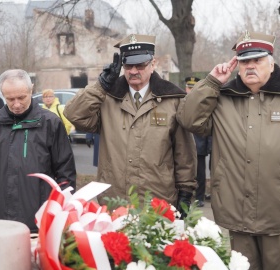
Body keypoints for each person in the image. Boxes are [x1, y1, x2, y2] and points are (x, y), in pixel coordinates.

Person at [177, 30, 280, 269]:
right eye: (244, 61)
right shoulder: (222, 98)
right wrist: (211, 83)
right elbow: (189, 119)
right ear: (237, 65)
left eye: (257, 60)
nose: (250, 66)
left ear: (271, 64)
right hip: (236, 210)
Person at [64, 34, 197, 216]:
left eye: (140, 65)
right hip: (115, 202)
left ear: (153, 63)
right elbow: (73, 114)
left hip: (158, 203)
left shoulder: (172, 99)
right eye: (128, 65)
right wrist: (101, 86)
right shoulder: (107, 98)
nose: (134, 71)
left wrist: (185, 193)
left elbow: (184, 153)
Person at [0, 69, 76, 233]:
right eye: (10, 99)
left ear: (31, 90)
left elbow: (66, 173)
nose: (16, 104)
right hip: (0, 219)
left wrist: (63, 213)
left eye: (21, 97)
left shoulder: (51, 124)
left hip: (41, 219)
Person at [185, 76, 211, 207]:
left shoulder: (203, 103)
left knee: (200, 173)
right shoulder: (181, 101)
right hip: (184, 145)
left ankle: (199, 197)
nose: (191, 90)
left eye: (193, 88)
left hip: (199, 145)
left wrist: (207, 147)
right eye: (189, 88)